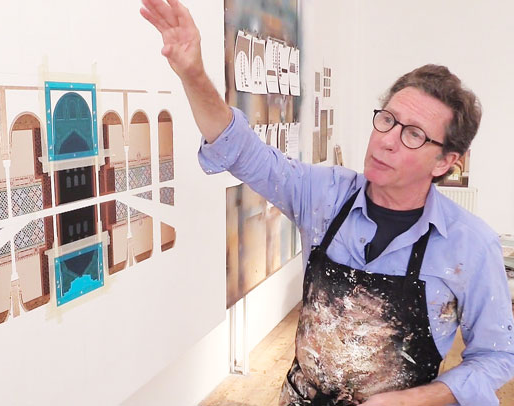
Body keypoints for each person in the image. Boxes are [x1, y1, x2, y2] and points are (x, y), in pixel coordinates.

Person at [140, 1, 514, 405]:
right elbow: (241, 151)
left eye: (414, 135)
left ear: (445, 161)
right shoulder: (324, 195)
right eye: (387, 119)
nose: (387, 139)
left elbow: (496, 357)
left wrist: (414, 400)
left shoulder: (471, 246)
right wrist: (193, 73)